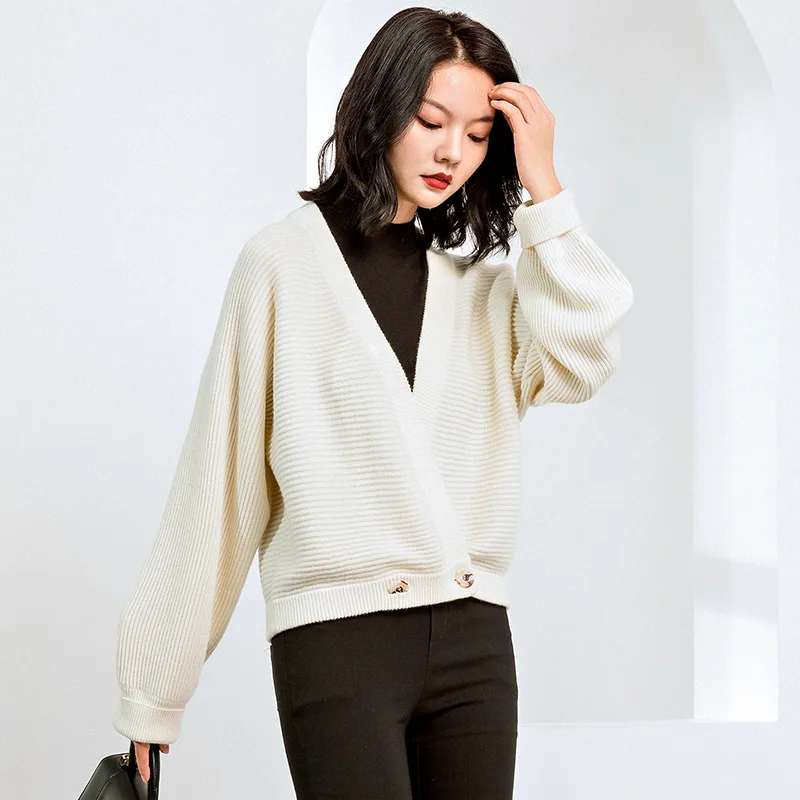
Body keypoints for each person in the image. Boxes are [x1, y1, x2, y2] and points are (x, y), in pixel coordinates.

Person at [115, 6, 634, 797]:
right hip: (338, 646)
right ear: (382, 107)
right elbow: (217, 486)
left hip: (475, 648)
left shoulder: (486, 297)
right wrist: (153, 692)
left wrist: (547, 189)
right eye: (431, 121)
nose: (452, 151)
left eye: (478, 135)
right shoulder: (281, 266)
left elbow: (586, 355)